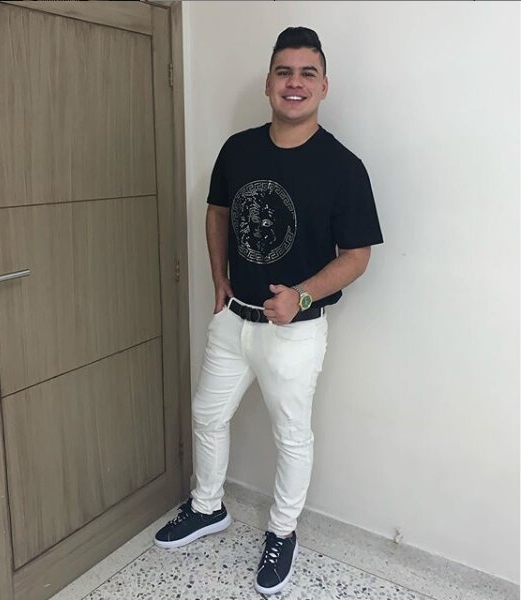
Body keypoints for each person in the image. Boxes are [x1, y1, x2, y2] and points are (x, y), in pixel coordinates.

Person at [154, 27, 383, 596]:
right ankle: (208, 507)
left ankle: (282, 532)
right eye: (284, 72)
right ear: (268, 83)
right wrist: (218, 278)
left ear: (324, 86)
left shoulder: (344, 167)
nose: (294, 83)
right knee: (207, 415)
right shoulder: (238, 150)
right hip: (234, 318)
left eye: (307, 73)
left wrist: (300, 295)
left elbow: (357, 256)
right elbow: (216, 212)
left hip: (295, 331)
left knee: (292, 436)